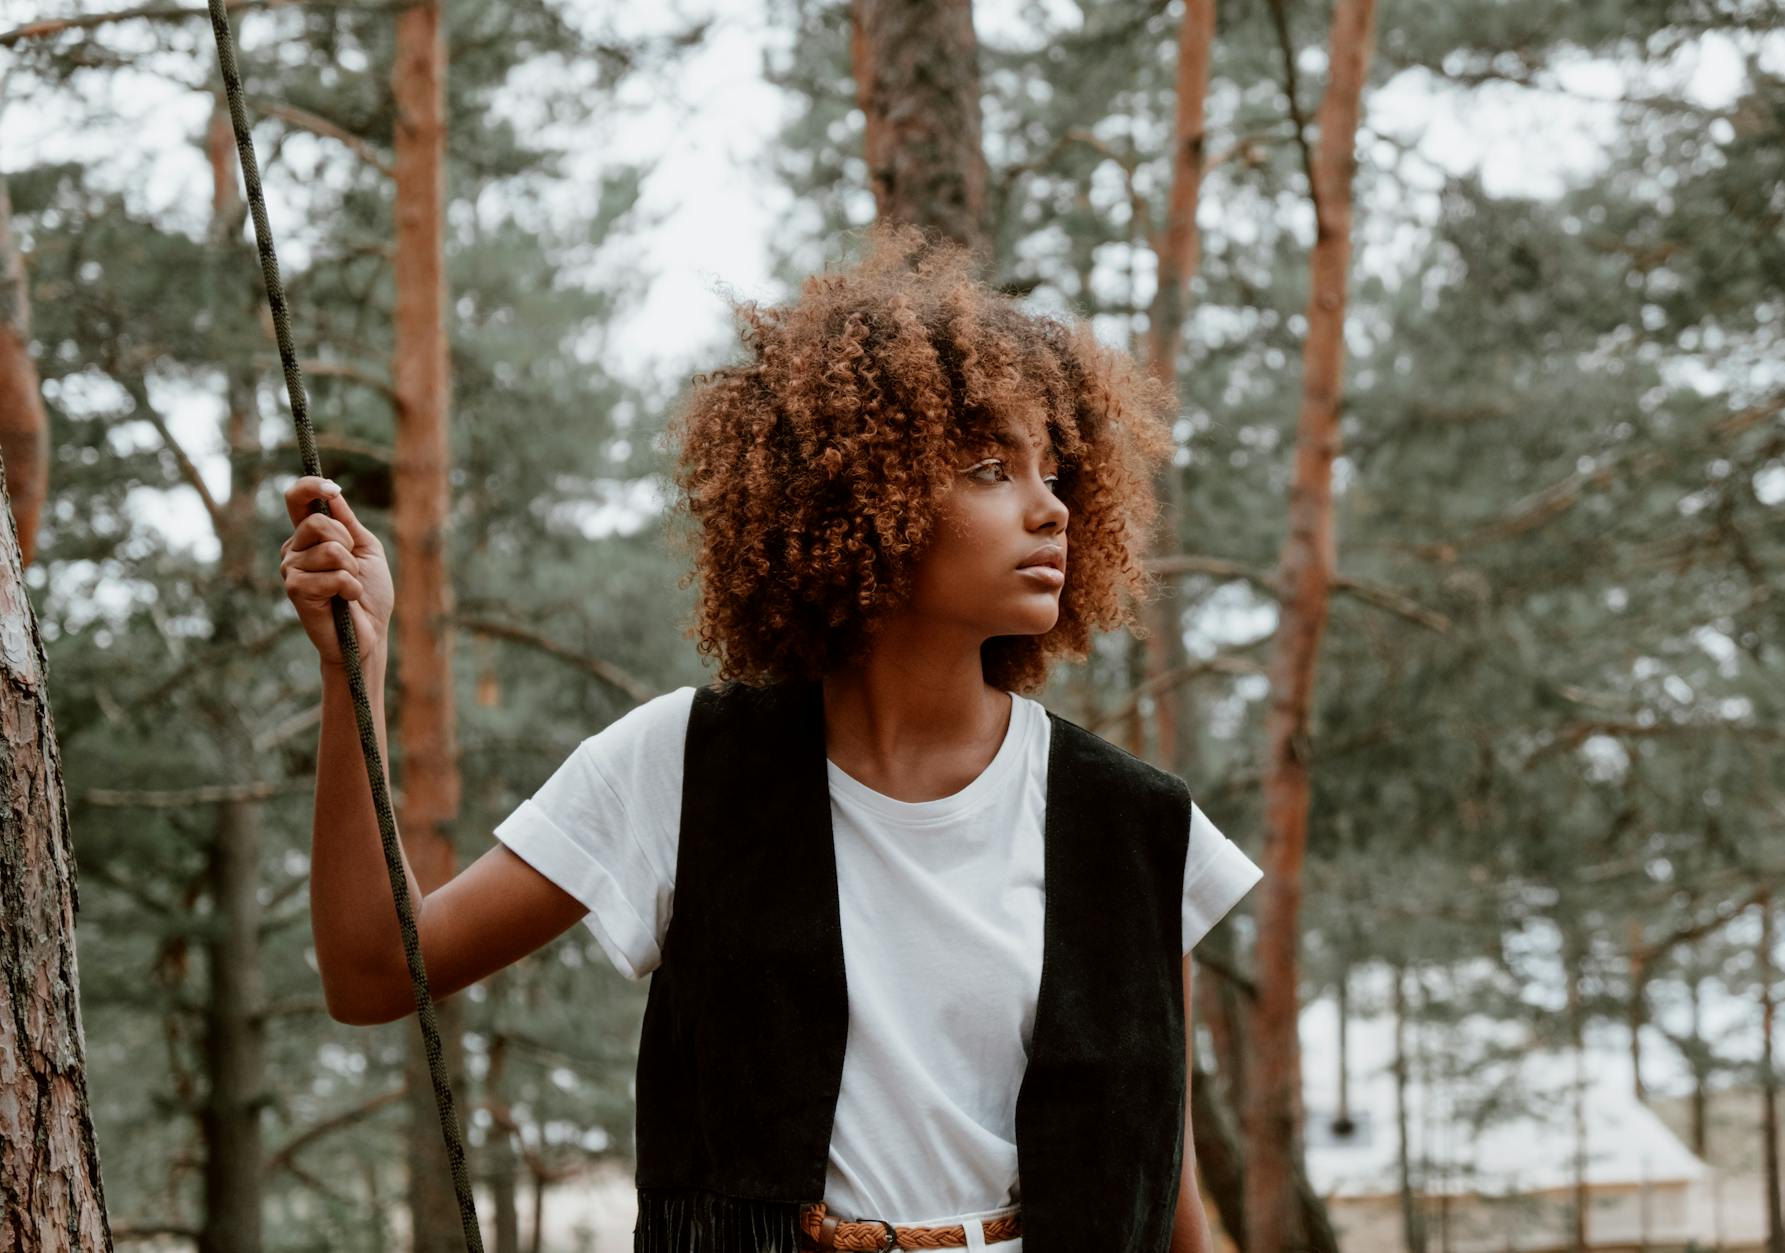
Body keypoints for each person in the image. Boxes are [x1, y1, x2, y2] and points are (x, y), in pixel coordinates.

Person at [279, 223, 1262, 1253]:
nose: (1048, 508)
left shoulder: (1137, 825)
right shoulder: (684, 766)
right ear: (859, 491)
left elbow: (1169, 1193)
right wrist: (359, 666)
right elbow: (372, 972)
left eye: (1055, 470)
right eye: (986, 466)